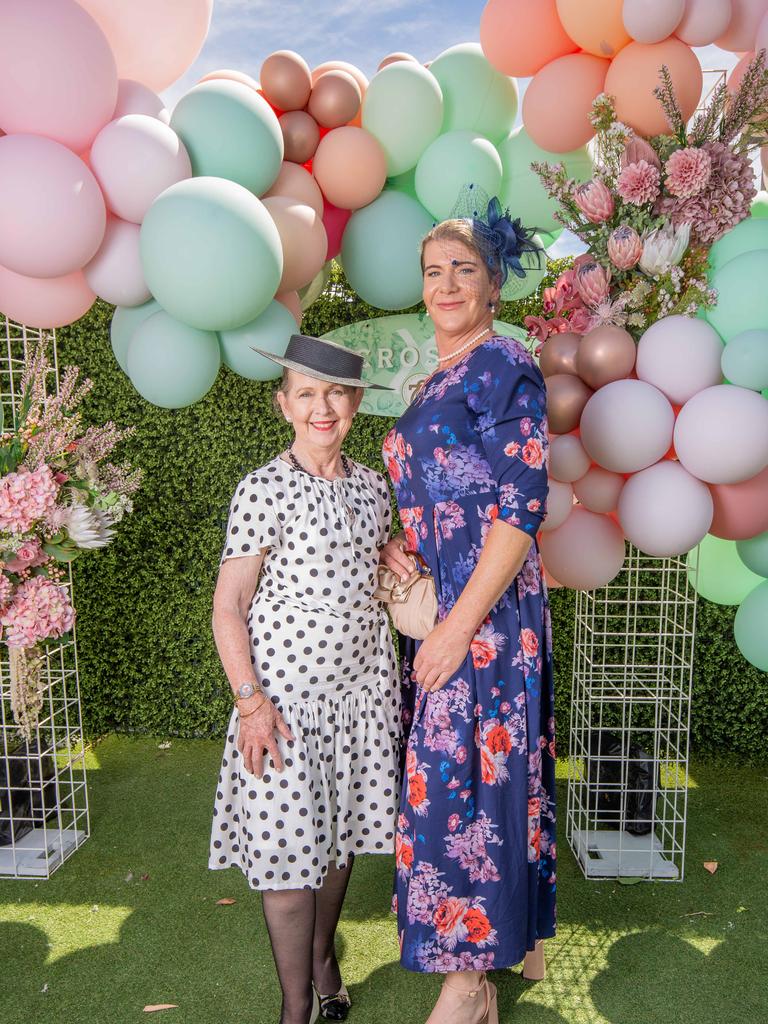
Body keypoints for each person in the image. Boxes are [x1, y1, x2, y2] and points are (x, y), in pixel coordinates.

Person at [381, 202, 556, 1024]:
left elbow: (518, 513)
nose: (446, 284)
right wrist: (407, 552)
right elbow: (440, 495)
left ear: (491, 285)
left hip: (490, 620)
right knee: (457, 785)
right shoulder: (438, 375)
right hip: (446, 608)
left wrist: (457, 628)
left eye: (464, 270)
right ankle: (499, 952)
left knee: (468, 794)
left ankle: (469, 983)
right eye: (434, 272)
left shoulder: (504, 364)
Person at [210, 335, 401, 1024]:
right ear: (283, 404)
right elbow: (228, 606)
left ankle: (324, 957)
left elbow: (369, 563)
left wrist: (395, 558)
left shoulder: (373, 486)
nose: (323, 407)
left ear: (354, 404)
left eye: (337, 394)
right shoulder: (262, 488)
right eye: (307, 394)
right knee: (290, 863)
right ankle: (296, 1009)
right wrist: (251, 704)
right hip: (283, 706)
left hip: (359, 699)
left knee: (339, 843)